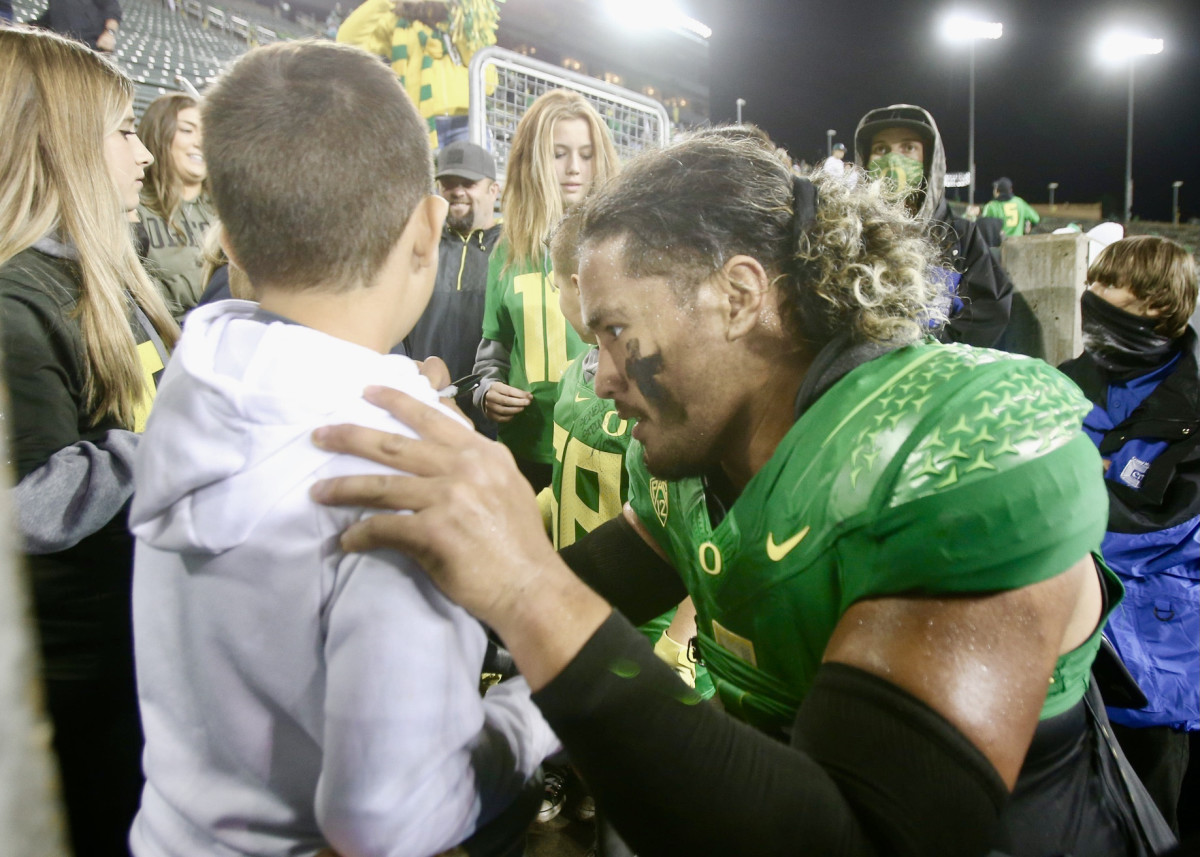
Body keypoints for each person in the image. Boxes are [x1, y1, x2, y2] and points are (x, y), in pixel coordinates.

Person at [309, 129, 1176, 857]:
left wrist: (527, 587)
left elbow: (860, 835)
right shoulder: (707, 456)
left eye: (616, 332)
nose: (602, 378)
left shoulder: (962, 442)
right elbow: (584, 588)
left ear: (739, 296)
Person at [128, 40, 555, 857]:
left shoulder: (198, 378)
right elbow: (384, 821)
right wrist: (533, 716)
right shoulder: (405, 454)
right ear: (429, 228)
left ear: (233, 243)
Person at [0, 26, 178, 857]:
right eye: (117, 130)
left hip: (129, 653)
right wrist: (179, 447)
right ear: (54, 139)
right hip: (78, 680)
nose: (141, 154)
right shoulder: (14, 298)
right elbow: (26, 501)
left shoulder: (88, 272)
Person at [1058, 235, 1200, 834]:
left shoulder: (1192, 406)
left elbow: (1175, 530)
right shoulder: (1062, 383)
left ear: (1156, 305)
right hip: (1063, 652)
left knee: (1151, 824)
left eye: (1110, 285)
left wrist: (1071, 509)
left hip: (1156, 658)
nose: (1092, 297)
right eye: (1092, 284)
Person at [472, 88, 620, 491]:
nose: (574, 167)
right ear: (534, 160)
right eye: (559, 153)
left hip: (602, 451)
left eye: (586, 155)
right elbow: (493, 351)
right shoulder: (507, 252)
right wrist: (486, 391)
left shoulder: (619, 247)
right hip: (525, 454)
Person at [854, 103, 1013, 348]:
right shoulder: (847, 236)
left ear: (929, 159)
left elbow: (988, 311)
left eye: (908, 147)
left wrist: (930, 356)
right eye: (881, 149)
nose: (893, 160)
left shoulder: (961, 237)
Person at [405, 140, 501, 433]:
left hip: (492, 408)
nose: (457, 191)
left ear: (493, 190)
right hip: (425, 403)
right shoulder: (421, 245)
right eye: (448, 183)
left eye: (469, 183)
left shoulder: (512, 249)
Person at [336, 0, 500, 148]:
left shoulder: (463, 22)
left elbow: (488, 84)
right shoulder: (396, 23)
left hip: (465, 123)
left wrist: (464, 21)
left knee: (472, 181)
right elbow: (347, 40)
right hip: (417, 124)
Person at [136, 92, 216, 320]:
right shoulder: (134, 207)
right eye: (187, 130)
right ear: (160, 134)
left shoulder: (226, 212)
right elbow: (128, 297)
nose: (200, 142)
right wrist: (206, 281)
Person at [33, 0, 120, 50]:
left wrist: (109, 33)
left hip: (91, 46)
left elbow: (112, 8)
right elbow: (53, 15)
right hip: (64, 47)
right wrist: (30, 25)